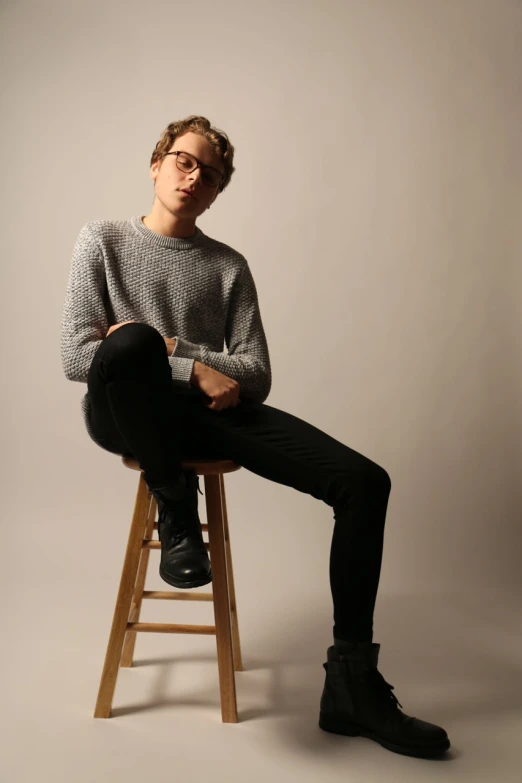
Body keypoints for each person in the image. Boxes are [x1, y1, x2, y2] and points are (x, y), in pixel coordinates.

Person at [60, 115, 450, 758]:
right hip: (124, 410)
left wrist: (183, 354)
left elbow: (256, 374)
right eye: (185, 162)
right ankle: (175, 511)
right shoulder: (101, 239)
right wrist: (190, 366)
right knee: (126, 342)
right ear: (156, 163)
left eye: (209, 175)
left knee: (364, 482)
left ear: (217, 193)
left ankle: (351, 681)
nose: (194, 177)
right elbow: (82, 355)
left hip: (207, 415)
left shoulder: (227, 266)